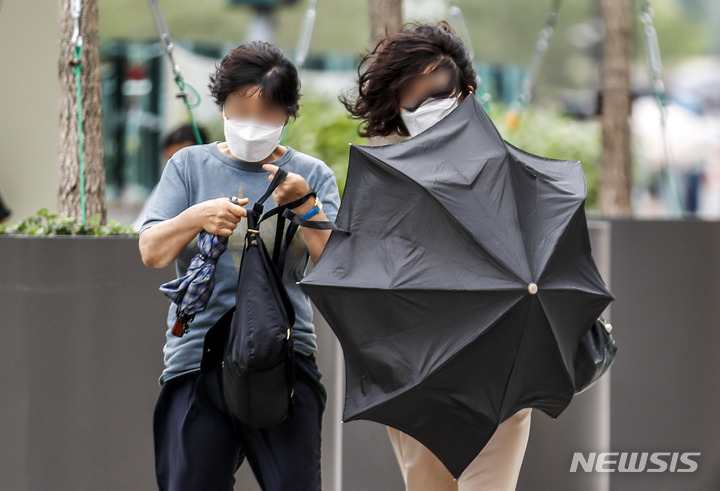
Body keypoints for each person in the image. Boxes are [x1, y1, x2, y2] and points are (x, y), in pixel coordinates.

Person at [138, 41, 341, 491]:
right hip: (196, 359)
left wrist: (306, 205)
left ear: (287, 115)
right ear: (223, 106)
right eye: (240, 109)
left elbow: (339, 267)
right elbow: (152, 251)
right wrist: (196, 216)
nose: (252, 125)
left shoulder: (311, 174)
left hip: (283, 360)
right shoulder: (189, 166)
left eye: (268, 113)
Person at [341, 21, 533, 491]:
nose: (427, 106)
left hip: (495, 375)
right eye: (413, 95)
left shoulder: (507, 170)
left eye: (438, 90)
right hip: (415, 376)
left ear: (467, 90)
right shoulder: (384, 182)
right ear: (395, 102)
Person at [132, 124, 210, 231]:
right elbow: (141, 227)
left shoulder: (214, 183)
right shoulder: (165, 186)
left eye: (184, 159)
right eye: (170, 159)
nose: (177, 165)